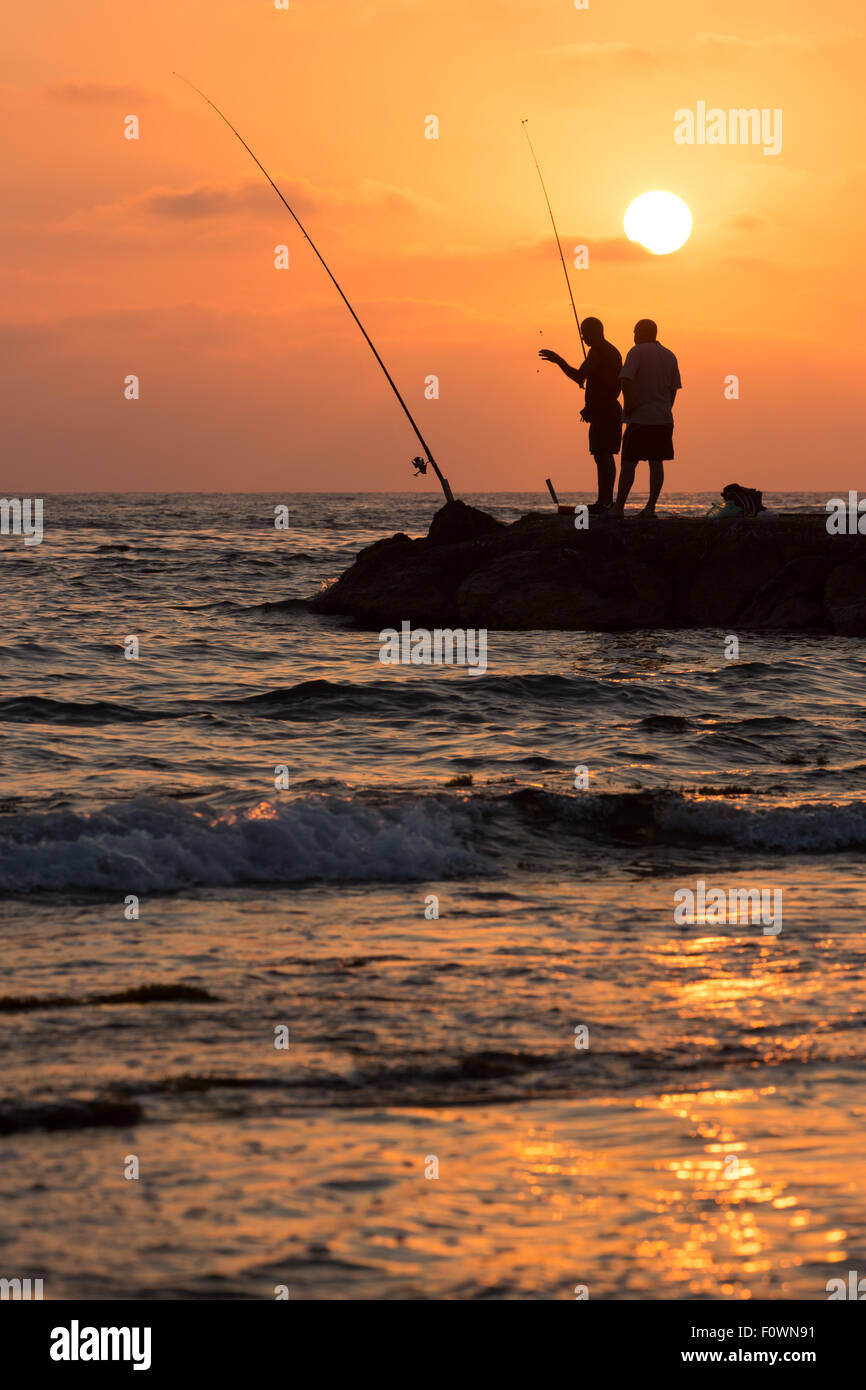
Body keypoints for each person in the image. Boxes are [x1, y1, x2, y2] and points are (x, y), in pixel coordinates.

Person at [539, 318, 623, 513]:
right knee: (607, 455)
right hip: (611, 409)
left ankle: (603, 503)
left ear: (595, 331)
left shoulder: (596, 352)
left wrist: (558, 360)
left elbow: (579, 376)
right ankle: (607, 501)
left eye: (584, 332)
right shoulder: (613, 351)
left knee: (602, 456)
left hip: (603, 412)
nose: (582, 336)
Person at [610, 318, 681, 518]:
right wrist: (666, 407)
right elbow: (674, 389)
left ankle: (618, 507)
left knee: (629, 462)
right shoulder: (670, 355)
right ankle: (650, 508)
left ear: (640, 333)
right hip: (664, 419)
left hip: (640, 418)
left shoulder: (636, 352)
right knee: (656, 463)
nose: (633, 336)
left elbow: (625, 379)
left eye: (634, 332)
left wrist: (629, 404)